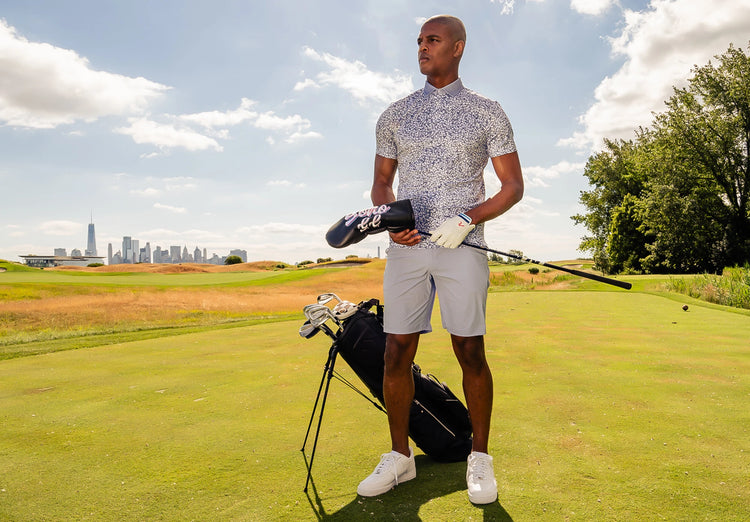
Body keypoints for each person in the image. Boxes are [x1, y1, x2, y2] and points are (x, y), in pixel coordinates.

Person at [357, 15, 524, 505]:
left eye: (432, 40)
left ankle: (480, 457)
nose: (422, 48)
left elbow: (512, 186)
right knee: (395, 352)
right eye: (419, 41)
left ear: (458, 47)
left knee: (469, 351)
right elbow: (381, 184)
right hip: (407, 249)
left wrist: (468, 218)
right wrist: (392, 221)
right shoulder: (395, 115)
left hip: (461, 247)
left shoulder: (486, 111)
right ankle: (400, 457)